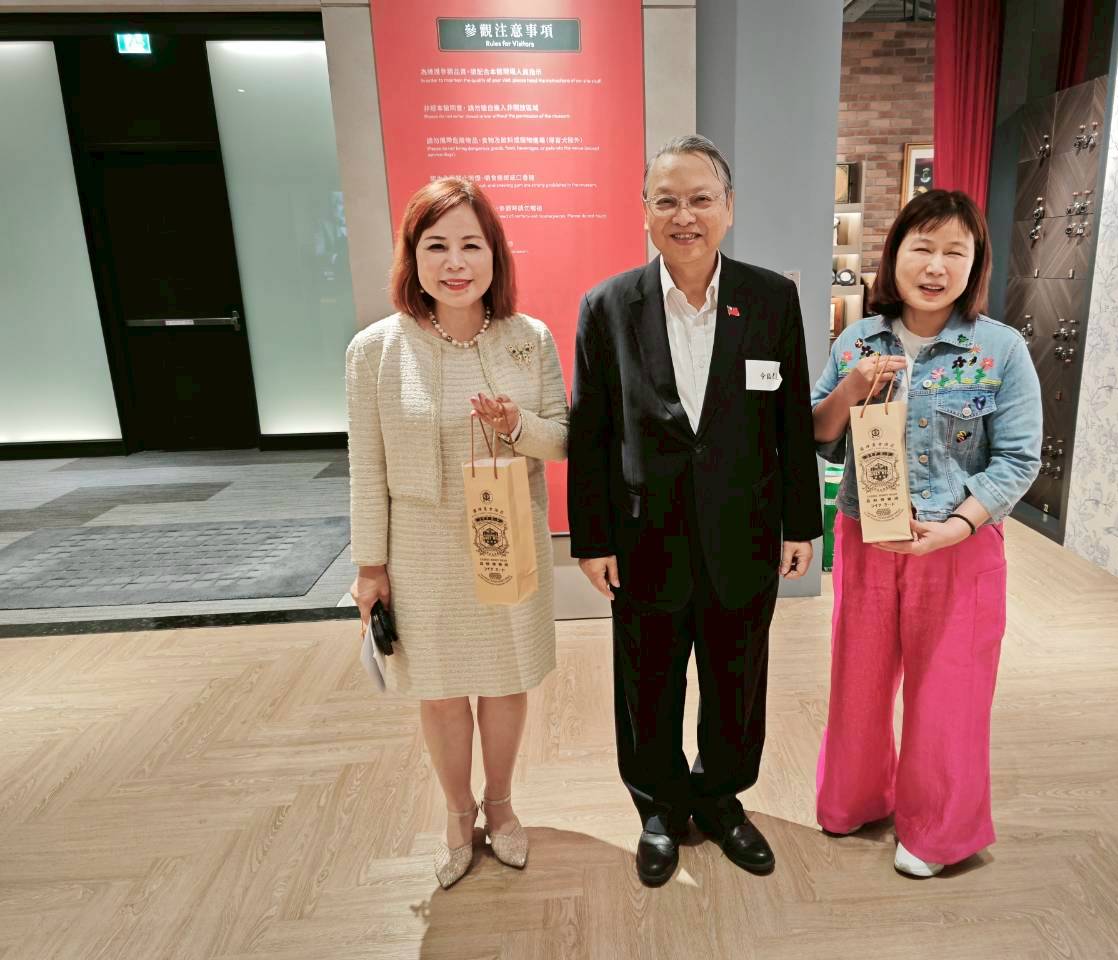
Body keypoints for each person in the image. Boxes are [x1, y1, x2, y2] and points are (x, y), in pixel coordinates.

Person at [567, 135, 822, 887]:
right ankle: (658, 806)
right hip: (643, 537)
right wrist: (591, 538)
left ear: (728, 208)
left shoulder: (770, 298)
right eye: (668, 200)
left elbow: (789, 421)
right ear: (644, 211)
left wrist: (800, 523)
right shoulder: (608, 307)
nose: (685, 215)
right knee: (647, 682)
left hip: (745, 532)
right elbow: (591, 433)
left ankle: (720, 799)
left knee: (737, 679)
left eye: (701, 199)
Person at [810, 190, 1041, 877]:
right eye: (923, 248)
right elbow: (818, 433)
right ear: (895, 256)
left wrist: (956, 527)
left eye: (954, 253)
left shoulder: (1000, 349)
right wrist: (850, 388)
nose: (936, 266)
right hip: (867, 537)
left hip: (958, 546)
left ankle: (938, 831)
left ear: (975, 265)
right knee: (858, 681)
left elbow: (1019, 458)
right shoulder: (857, 340)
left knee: (950, 690)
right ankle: (855, 799)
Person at [345, 177, 568, 889]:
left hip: (508, 541)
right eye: (436, 245)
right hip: (421, 551)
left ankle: (500, 805)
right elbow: (366, 467)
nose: (455, 262)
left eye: (471, 244)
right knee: (439, 692)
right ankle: (456, 812)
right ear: (412, 258)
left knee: (505, 681)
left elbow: (565, 440)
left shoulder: (529, 340)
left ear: (494, 254)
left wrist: (517, 425)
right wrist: (370, 568)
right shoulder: (375, 350)